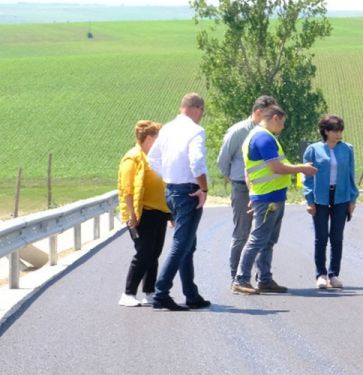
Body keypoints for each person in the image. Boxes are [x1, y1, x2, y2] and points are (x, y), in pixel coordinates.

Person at [232, 105, 317, 295]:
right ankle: (241, 279)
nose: (283, 127)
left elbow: (248, 171)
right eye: (283, 122)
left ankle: (264, 279)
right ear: (276, 117)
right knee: (258, 239)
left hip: (268, 194)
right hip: (268, 196)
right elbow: (276, 167)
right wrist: (302, 168)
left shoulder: (258, 136)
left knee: (268, 240)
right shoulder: (264, 137)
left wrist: (252, 193)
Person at [146, 93, 210, 311]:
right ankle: (161, 292)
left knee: (187, 244)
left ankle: (191, 294)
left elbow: (153, 158)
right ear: (197, 108)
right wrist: (203, 188)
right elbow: (197, 162)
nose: (201, 116)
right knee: (181, 244)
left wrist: (169, 175)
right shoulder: (195, 131)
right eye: (202, 112)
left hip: (171, 190)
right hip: (189, 191)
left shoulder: (167, 129)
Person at [216, 95, 276, 283]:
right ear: (258, 112)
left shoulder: (269, 132)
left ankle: (263, 277)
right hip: (242, 187)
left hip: (265, 188)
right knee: (242, 233)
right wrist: (234, 180)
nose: (273, 118)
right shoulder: (238, 131)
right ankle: (237, 277)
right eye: (269, 113)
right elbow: (223, 161)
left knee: (264, 234)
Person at [116, 120, 170, 307]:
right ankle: (128, 293)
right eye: (158, 138)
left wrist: (170, 214)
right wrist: (132, 215)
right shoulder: (132, 158)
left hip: (159, 212)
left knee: (154, 253)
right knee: (144, 253)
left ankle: (149, 291)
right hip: (141, 214)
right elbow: (127, 190)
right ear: (148, 139)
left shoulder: (153, 157)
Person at [302, 114, 359, 289]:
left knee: (337, 237)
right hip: (320, 197)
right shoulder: (313, 150)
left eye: (340, 130)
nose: (339, 134)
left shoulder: (347, 149)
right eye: (335, 131)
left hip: (341, 197)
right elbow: (307, 178)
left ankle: (334, 274)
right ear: (326, 131)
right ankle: (321, 274)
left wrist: (352, 199)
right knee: (321, 238)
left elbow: (351, 175)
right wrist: (309, 200)